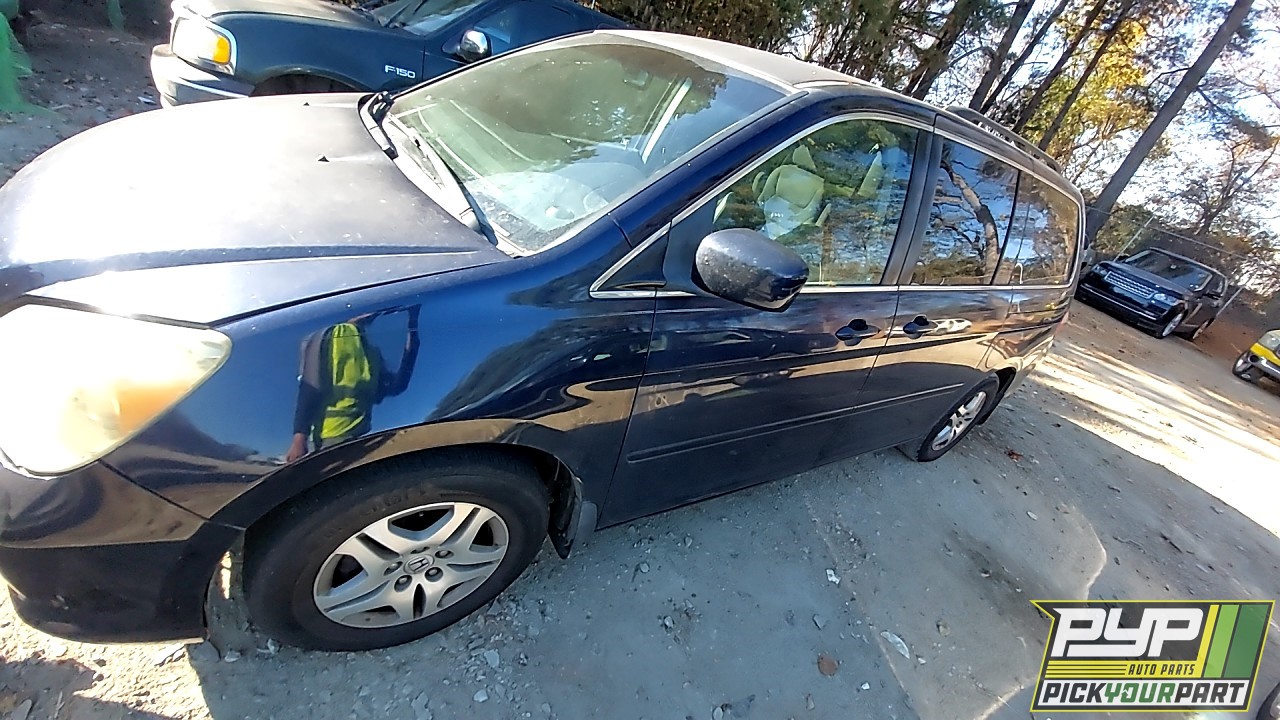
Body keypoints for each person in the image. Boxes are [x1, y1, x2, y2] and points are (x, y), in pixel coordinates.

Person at [287, 307, 420, 462]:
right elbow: (310, 386)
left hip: (364, 437)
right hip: (331, 439)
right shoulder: (329, 335)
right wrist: (299, 439)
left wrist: (412, 326)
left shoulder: (370, 350)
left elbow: (397, 386)